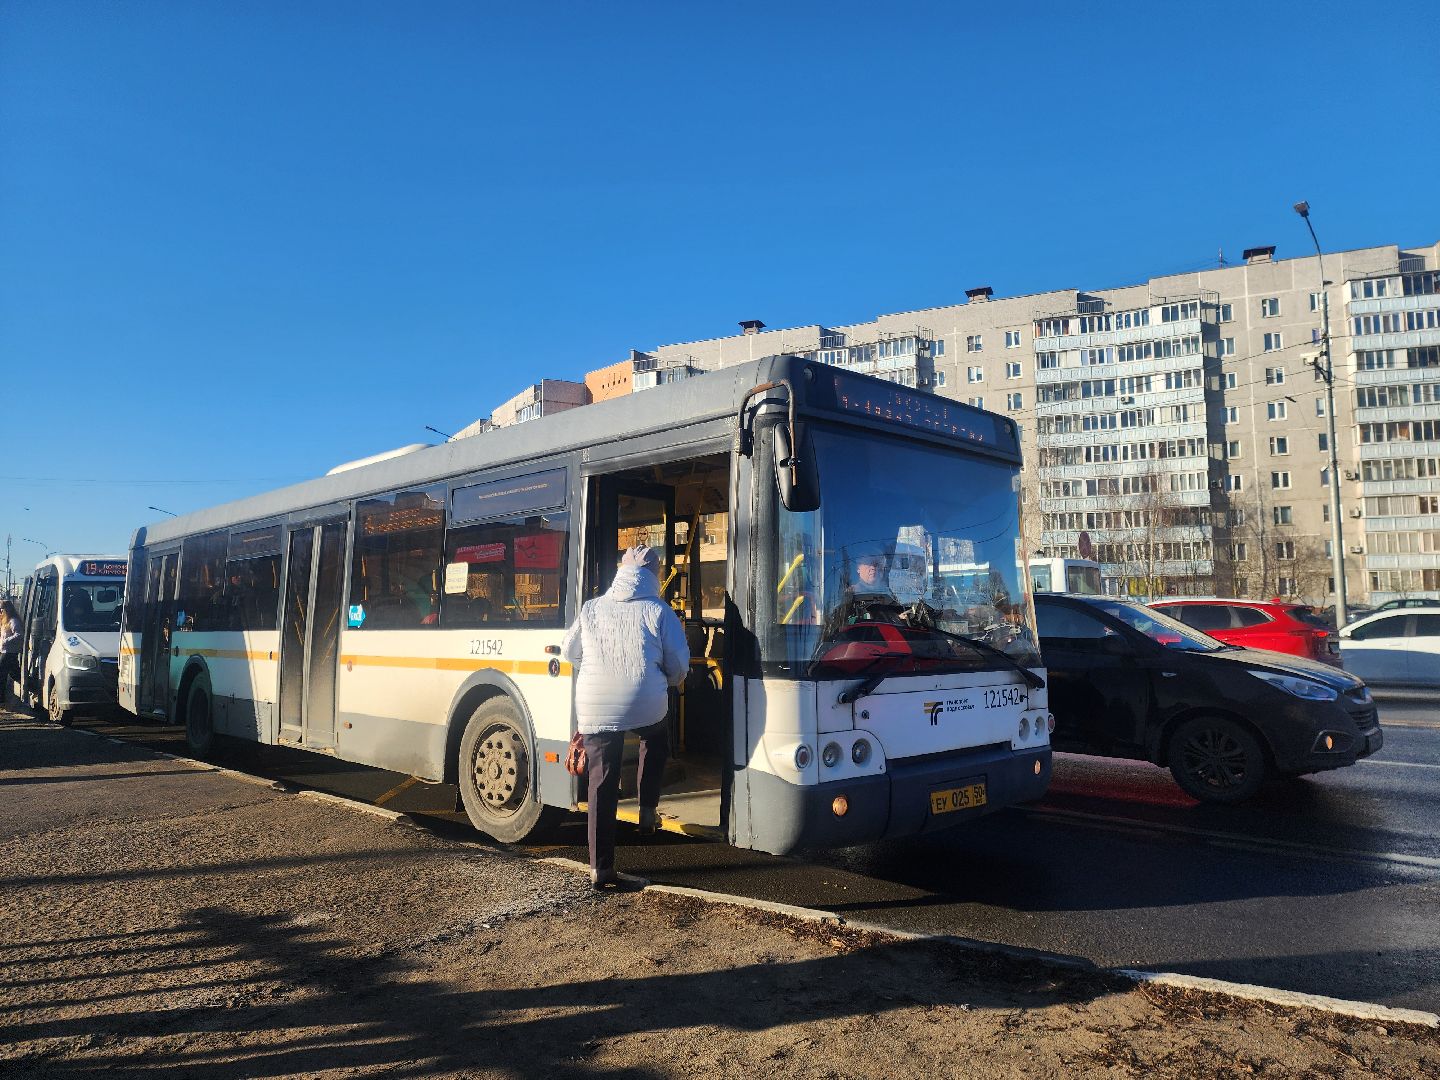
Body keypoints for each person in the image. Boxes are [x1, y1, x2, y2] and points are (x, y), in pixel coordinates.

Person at [561, 545, 689, 891]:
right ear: (654, 575)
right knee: (656, 736)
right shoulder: (659, 611)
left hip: (595, 705)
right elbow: (679, 667)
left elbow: (570, 651)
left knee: (600, 781)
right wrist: (664, 677)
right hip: (644, 701)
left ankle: (600, 869)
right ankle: (647, 813)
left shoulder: (591, 608)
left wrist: (597, 668)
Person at [0, 600, 21, 705]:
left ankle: (1, 698)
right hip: (4, 651)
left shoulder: (13, 621)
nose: (0, 612)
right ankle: (30, 686)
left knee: (2, 673)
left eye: (2, 609)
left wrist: (6, 641)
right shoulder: (5, 622)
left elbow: (19, 634)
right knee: (14, 673)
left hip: (10, 652)